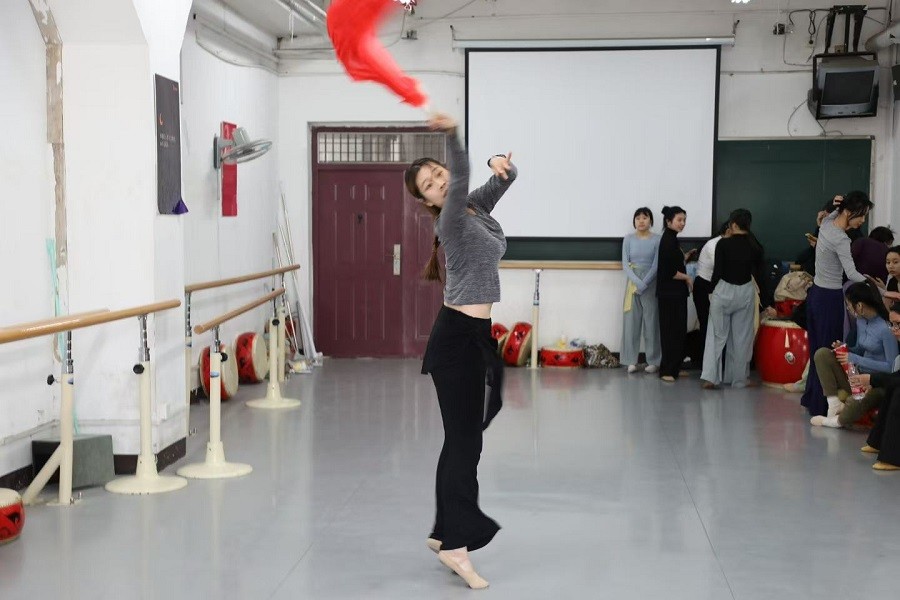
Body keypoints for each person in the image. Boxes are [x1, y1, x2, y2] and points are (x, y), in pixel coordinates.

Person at [404, 113, 516, 590]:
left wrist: (499, 164)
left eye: (438, 173)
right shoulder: (450, 216)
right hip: (456, 342)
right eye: (430, 185)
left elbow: (504, 179)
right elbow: (465, 175)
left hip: (472, 336)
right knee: (466, 443)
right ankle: (456, 545)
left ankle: (442, 532)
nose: (440, 182)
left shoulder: (472, 207)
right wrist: (452, 134)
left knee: (461, 440)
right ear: (428, 201)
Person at [800, 191, 873, 417]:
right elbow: (851, 273)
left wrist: (836, 205)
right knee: (827, 351)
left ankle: (812, 399)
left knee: (816, 349)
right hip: (829, 299)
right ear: (849, 212)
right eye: (861, 215)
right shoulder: (841, 239)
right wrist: (874, 286)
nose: (863, 221)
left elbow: (831, 213)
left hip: (815, 295)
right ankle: (822, 404)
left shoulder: (826, 224)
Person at [808, 282, 898, 428]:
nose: (848, 309)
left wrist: (855, 358)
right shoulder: (861, 322)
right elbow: (859, 350)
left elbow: (891, 367)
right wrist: (846, 349)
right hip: (856, 376)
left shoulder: (886, 329)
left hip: (875, 384)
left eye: (849, 305)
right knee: (822, 354)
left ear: (860, 306)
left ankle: (834, 421)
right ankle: (833, 403)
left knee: (856, 401)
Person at [700, 209, 766, 388]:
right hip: (745, 292)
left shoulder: (723, 244)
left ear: (733, 224)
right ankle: (738, 379)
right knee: (741, 338)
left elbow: (718, 272)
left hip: (723, 291)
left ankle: (711, 378)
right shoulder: (754, 246)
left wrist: (711, 291)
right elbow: (760, 273)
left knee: (716, 336)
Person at [621, 208, 661, 374]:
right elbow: (625, 264)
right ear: (634, 221)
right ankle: (630, 360)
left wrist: (644, 283)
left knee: (651, 322)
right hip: (633, 283)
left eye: (645, 218)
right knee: (631, 322)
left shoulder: (657, 239)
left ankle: (654, 360)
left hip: (651, 283)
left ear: (650, 220)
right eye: (638, 218)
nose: (641, 221)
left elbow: (656, 265)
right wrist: (637, 282)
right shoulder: (628, 239)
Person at [656, 206, 692, 382]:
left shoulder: (672, 239)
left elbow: (674, 261)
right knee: (670, 332)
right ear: (668, 221)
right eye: (679, 220)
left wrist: (685, 257)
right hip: (669, 294)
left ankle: (675, 368)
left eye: (684, 220)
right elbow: (669, 271)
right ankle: (667, 371)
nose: (682, 223)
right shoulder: (667, 241)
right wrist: (687, 277)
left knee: (678, 330)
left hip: (676, 293)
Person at [692, 222, 730, 363]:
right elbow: (720, 266)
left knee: (718, 326)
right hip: (704, 286)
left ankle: (717, 361)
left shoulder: (726, 244)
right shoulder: (714, 244)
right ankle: (705, 361)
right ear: (728, 231)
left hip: (717, 287)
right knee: (706, 325)